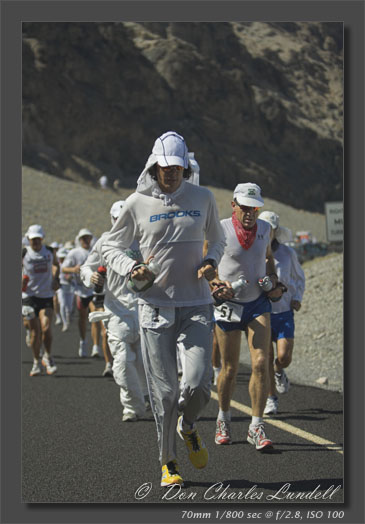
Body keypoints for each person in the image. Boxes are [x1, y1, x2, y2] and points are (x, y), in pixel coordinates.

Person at [101, 131, 226, 487]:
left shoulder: (203, 197)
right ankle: (168, 461)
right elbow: (110, 245)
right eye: (164, 167)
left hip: (197, 304)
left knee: (200, 384)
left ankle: (188, 427)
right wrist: (130, 267)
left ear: (185, 167)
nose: (170, 173)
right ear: (154, 166)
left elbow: (217, 238)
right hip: (154, 307)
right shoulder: (136, 203)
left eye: (176, 167)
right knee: (166, 393)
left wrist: (211, 260)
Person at [211, 183, 279, 451]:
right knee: (229, 369)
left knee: (262, 362)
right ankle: (224, 418)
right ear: (234, 205)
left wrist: (272, 279)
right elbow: (207, 264)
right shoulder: (220, 228)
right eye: (245, 207)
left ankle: (256, 425)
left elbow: (269, 258)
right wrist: (215, 285)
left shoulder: (265, 229)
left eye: (255, 207)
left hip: (257, 303)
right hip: (229, 304)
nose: (250, 212)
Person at [81, 200, 151, 412]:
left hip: (144, 308)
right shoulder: (104, 242)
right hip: (117, 310)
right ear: (111, 220)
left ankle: (146, 396)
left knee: (142, 362)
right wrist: (90, 276)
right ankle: (131, 405)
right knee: (121, 361)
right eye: (117, 220)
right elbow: (86, 267)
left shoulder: (144, 239)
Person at [258, 211, 305, 415]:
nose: (269, 231)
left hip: (284, 311)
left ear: (276, 230)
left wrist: (297, 298)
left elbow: (299, 277)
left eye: (272, 228)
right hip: (262, 312)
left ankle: (279, 371)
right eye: (265, 227)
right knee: (266, 357)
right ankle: (271, 399)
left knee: (283, 357)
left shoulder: (287, 253)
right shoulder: (254, 252)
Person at [22, 224, 60, 376]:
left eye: (38, 239)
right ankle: (36, 361)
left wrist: (56, 278)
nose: (35, 242)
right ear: (28, 240)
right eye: (33, 240)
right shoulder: (24, 252)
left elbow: (57, 265)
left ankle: (48, 357)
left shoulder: (49, 251)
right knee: (34, 332)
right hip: (29, 297)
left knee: (46, 328)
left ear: (42, 238)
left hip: (46, 295)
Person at [62, 228, 102, 357]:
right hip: (80, 290)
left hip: (93, 290)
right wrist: (74, 269)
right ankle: (83, 342)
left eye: (88, 238)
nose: (86, 240)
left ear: (91, 239)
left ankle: (95, 346)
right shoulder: (74, 253)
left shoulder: (95, 252)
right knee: (83, 318)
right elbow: (64, 269)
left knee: (95, 316)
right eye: (83, 238)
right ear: (79, 240)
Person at [56, 247, 75, 332]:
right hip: (61, 287)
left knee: (69, 308)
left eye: (63, 258)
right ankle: (65, 323)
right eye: (61, 258)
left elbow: (75, 277)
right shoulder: (57, 266)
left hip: (70, 287)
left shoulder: (70, 266)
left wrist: (70, 277)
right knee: (62, 305)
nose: (61, 259)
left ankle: (67, 319)